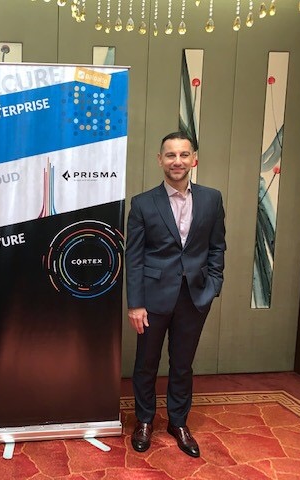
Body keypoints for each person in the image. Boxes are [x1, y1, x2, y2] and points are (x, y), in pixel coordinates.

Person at [125, 131, 226, 458]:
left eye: (184, 154)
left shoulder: (212, 199)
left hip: (194, 298)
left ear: (194, 159)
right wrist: (135, 304)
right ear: (160, 160)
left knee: (182, 364)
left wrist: (213, 284)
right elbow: (134, 257)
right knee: (146, 364)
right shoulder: (142, 203)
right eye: (170, 155)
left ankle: (178, 422)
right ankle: (144, 420)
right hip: (152, 299)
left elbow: (217, 246)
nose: (177, 161)